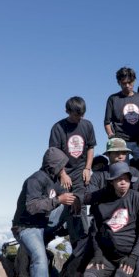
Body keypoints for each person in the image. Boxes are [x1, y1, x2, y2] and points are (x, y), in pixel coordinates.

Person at [11, 147, 77, 277]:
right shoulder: (35, 180)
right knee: (40, 258)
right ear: (53, 165)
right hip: (26, 227)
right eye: (61, 166)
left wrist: (74, 200)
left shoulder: (54, 180)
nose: (64, 169)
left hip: (42, 223)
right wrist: (58, 199)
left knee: (69, 207)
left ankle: (78, 243)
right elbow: (32, 206)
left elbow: (65, 196)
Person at [84, 162, 139, 277]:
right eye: (119, 179)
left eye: (126, 179)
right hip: (107, 256)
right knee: (90, 274)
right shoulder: (102, 202)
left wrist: (133, 257)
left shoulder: (138, 199)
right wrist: (97, 253)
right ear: (112, 182)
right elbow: (95, 231)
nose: (123, 182)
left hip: (128, 256)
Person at [49, 96, 96, 248]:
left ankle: (82, 242)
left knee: (80, 204)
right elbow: (54, 154)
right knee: (67, 204)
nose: (79, 118)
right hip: (63, 172)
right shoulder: (58, 128)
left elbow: (90, 147)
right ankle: (69, 240)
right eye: (76, 115)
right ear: (67, 111)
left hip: (80, 171)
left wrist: (88, 168)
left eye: (82, 114)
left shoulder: (87, 125)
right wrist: (62, 173)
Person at [104, 67, 139, 159]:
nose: (127, 85)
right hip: (121, 142)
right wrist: (111, 136)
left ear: (134, 81)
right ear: (119, 83)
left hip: (138, 141)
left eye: (130, 82)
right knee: (122, 169)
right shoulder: (113, 99)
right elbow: (107, 122)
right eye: (124, 83)